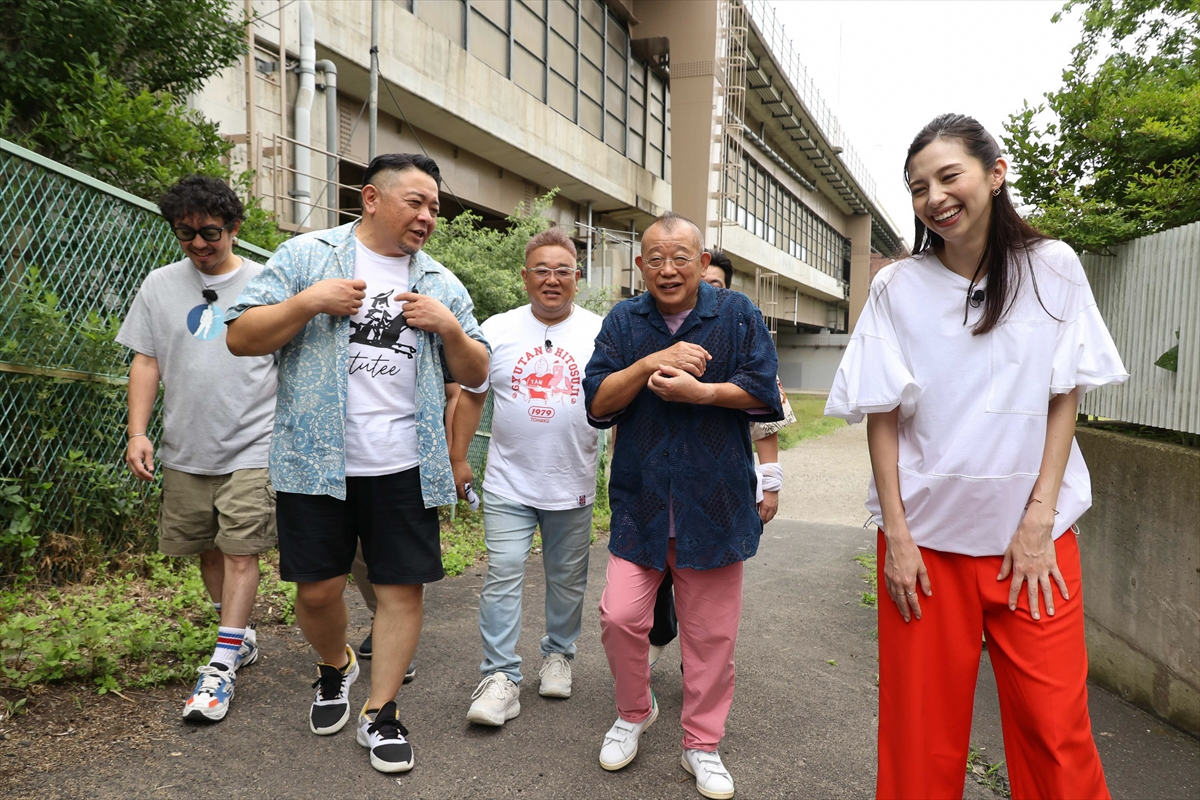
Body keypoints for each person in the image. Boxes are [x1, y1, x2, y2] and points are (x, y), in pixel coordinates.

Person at [825, 114, 1127, 800]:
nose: (934, 195)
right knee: (919, 738)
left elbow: (1062, 396)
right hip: (925, 550)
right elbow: (881, 417)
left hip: (1034, 542)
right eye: (918, 185)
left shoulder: (1053, 266)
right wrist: (896, 536)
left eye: (948, 175)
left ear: (995, 173)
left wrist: (1038, 520)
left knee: (1057, 732)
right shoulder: (896, 288)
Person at [224, 153, 490, 775]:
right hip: (315, 460)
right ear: (371, 198)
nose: (428, 216)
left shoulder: (440, 282)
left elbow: (478, 373)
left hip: (404, 464)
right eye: (415, 202)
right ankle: (335, 666)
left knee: (402, 589)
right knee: (316, 592)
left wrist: (450, 329)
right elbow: (240, 336)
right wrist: (308, 303)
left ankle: (382, 711)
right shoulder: (305, 258)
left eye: (434, 206)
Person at [583, 212, 783, 800]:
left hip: (715, 503)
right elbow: (597, 404)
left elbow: (764, 392)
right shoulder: (624, 320)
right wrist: (648, 364)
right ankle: (633, 711)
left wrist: (703, 392)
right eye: (655, 258)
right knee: (620, 617)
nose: (667, 268)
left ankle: (702, 743)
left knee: (710, 638)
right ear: (640, 265)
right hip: (641, 501)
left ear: (701, 262)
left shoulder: (737, 314)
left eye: (680, 257)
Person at [117, 175, 277, 723]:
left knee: (239, 550)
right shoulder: (159, 285)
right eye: (185, 234)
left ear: (233, 227)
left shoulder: (266, 282)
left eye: (210, 232)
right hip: (186, 446)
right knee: (207, 549)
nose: (199, 245)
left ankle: (223, 664)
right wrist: (138, 432)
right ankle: (241, 634)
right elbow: (147, 360)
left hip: (256, 442)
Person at [447, 228, 604, 726]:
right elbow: (472, 394)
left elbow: (620, 402)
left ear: (577, 278)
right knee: (503, 573)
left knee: (567, 580)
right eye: (541, 270)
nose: (552, 279)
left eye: (563, 270)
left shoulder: (601, 331)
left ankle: (559, 655)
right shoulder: (497, 329)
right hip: (508, 482)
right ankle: (500, 676)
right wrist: (458, 459)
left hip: (573, 481)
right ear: (524, 277)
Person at [647, 250, 793, 668]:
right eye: (703, 284)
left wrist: (770, 483)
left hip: (718, 483)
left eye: (718, 286)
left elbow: (766, 421)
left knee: (705, 585)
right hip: (660, 486)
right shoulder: (656, 333)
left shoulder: (741, 334)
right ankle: (660, 635)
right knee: (654, 579)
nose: (708, 293)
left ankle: (698, 663)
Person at [352, 381, 460, 683]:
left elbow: (456, 392)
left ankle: (395, 636)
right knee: (357, 552)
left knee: (398, 560)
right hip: (345, 457)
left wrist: (452, 455)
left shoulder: (421, 332)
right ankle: (381, 620)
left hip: (405, 460)